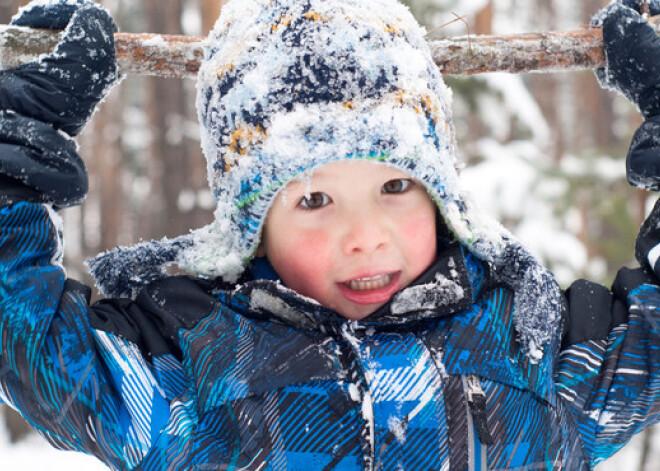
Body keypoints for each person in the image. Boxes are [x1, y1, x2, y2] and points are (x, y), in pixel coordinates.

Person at [1, 0, 660, 469]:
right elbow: (26, 342)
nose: (366, 236)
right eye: (314, 198)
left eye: (396, 186)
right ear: (252, 225)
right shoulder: (187, 367)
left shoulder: (530, 344)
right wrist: (14, 156)